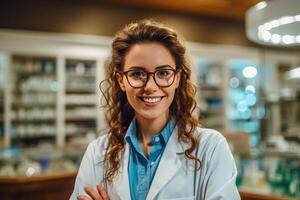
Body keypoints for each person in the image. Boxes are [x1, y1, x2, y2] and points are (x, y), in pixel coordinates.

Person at [70, 19, 240, 200]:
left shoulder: (211, 148)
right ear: (121, 80)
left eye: (163, 73)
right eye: (137, 74)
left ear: (177, 78)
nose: (150, 86)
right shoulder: (97, 153)